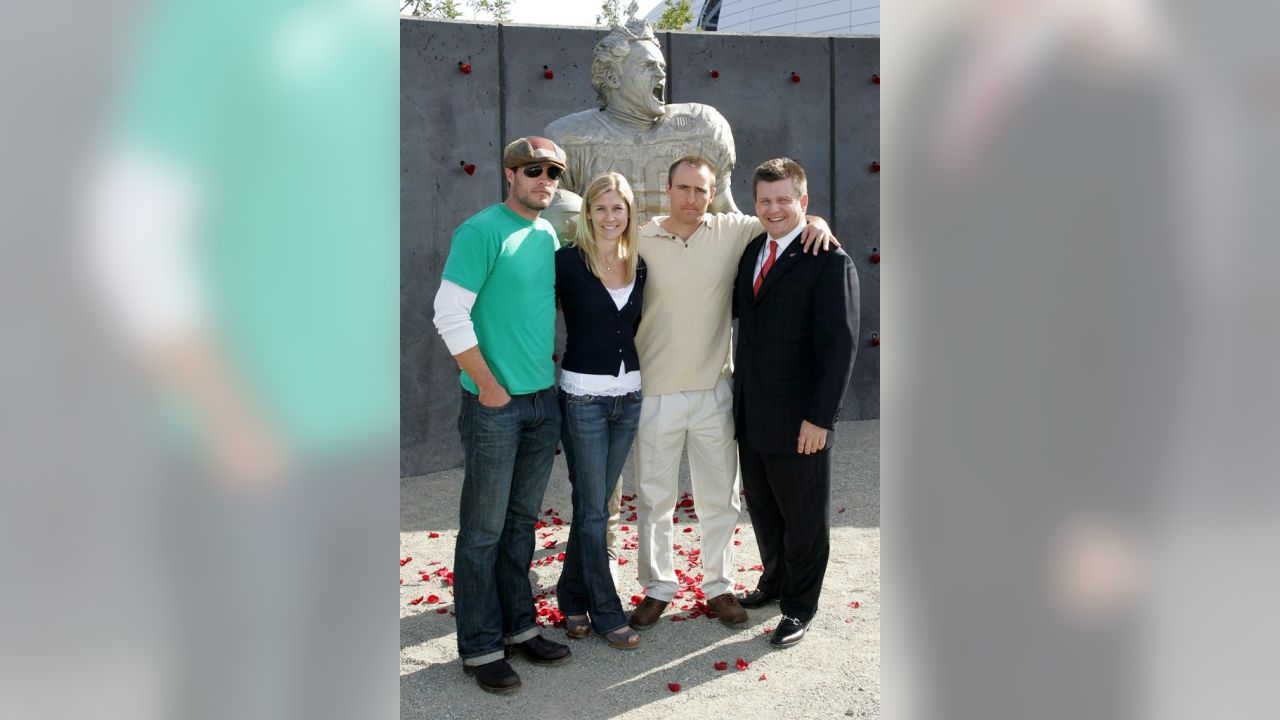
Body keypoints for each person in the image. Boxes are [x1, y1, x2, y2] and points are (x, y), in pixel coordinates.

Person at [627, 154, 838, 630]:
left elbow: (785, 215)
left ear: (713, 192)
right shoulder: (638, 237)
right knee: (655, 497)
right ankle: (658, 587)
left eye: (701, 190)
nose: (692, 198)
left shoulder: (733, 231)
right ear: (667, 188)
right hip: (656, 392)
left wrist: (818, 221)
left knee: (721, 499)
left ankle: (718, 586)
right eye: (683, 188)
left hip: (715, 392)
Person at [431, 136, 573, 694]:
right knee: (484, 531)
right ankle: (480, 646)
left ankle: (518, 627)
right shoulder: (481, 229)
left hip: (542, 400)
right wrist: (489, 387)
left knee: (519, 526)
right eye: (534, 170)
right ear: (510, 174)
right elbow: (448, 312)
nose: (545, 179)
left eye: (554, 172)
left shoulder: (546, 233)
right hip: (495, 405)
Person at [731, 158, 858, 648]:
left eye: (784, 199)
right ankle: (775, 581)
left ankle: (800, 607)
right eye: (765, 200)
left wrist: (820, 419)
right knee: (763, 507)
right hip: (751, 413)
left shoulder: (829, 260)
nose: (774, 208)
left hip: (801, 420)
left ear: (804, 202)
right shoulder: (751, 253)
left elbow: (840, 346)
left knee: (804, 518)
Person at [544, 7, 741, 233]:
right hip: (605, 263)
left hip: (683, 260)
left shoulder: (702, 126)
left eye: (662, 67)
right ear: (612, 77)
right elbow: (549, 222)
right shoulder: (569, 137)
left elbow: (726, 214)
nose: (661, 74)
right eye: (648, 66)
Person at [554, 172, 646, 651]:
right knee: (593, 509)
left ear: (630, 213)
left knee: (594, 505)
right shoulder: (566, 263)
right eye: (602, 208)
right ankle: (607, 610)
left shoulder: (640, 264)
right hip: (583, 400)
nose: (610, 217)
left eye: (619, 208)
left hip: (629, 398)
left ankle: (570, 598)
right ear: (588, 213)